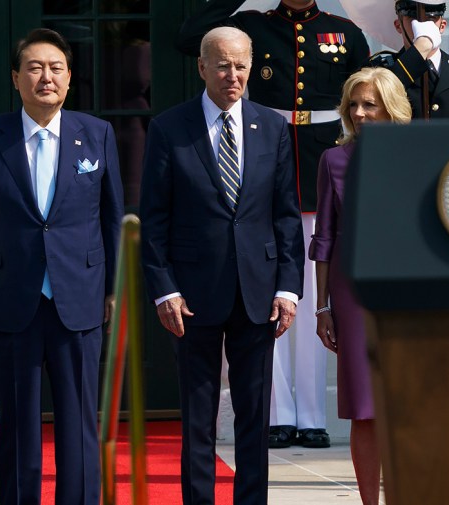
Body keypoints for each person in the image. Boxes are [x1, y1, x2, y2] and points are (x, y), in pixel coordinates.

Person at [176, 0, 370, 449]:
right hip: (259, 166)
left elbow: (369, 97)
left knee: (312, 298)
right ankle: (278, 413)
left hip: (320, 165)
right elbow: (187, 39)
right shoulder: (249, 25)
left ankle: (311, 415)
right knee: (268, 300)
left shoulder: (344, 31)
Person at [0, 28, 123, 505]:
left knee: (79, 423)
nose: (45, 77)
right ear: (15, 78)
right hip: (10, 300)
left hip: (80, 299)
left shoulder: (97, 133)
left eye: (55, 68)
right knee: (16, 422)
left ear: (69, 78)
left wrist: (113, 289)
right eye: (34, 67)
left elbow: (112, 217)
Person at [140, 26, 305, 505]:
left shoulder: (271, 126)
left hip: (259, 293)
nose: (233, 75)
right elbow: (154, 219)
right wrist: (164, 289)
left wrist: (289, 288)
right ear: (202, 67)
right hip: (192, 296)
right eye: (222, 65)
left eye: (241, 66)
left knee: (255, 415)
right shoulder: (170, 128)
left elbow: (285, 214)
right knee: (197, 417)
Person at [309, 66, 411, 505]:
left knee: (410, 404)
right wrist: (322, 306)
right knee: (365, 411)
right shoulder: (333, 160)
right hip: (352, 298)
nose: (360, 113)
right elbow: (324, 239)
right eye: (354, 104)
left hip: (410, 297)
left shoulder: (419, 155)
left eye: (370, 104)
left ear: (392, 107)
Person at [367, 0, 449, 118]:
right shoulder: (378, 71)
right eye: (413, 17)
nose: (423, 25)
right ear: (398, 26)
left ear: (442, 26)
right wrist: (420, 48)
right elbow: (369, 105)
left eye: (431, 17)